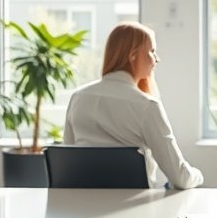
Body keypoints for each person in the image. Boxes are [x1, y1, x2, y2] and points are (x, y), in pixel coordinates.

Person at [64, 22, 204, 190]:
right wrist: (199, 175)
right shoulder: (147, 106)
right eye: (152, 51)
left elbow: (68, 160)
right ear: (133, 56)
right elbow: (180, 177)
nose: (157, 59)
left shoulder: (78, 98)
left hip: (82, 206)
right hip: (135, 208)